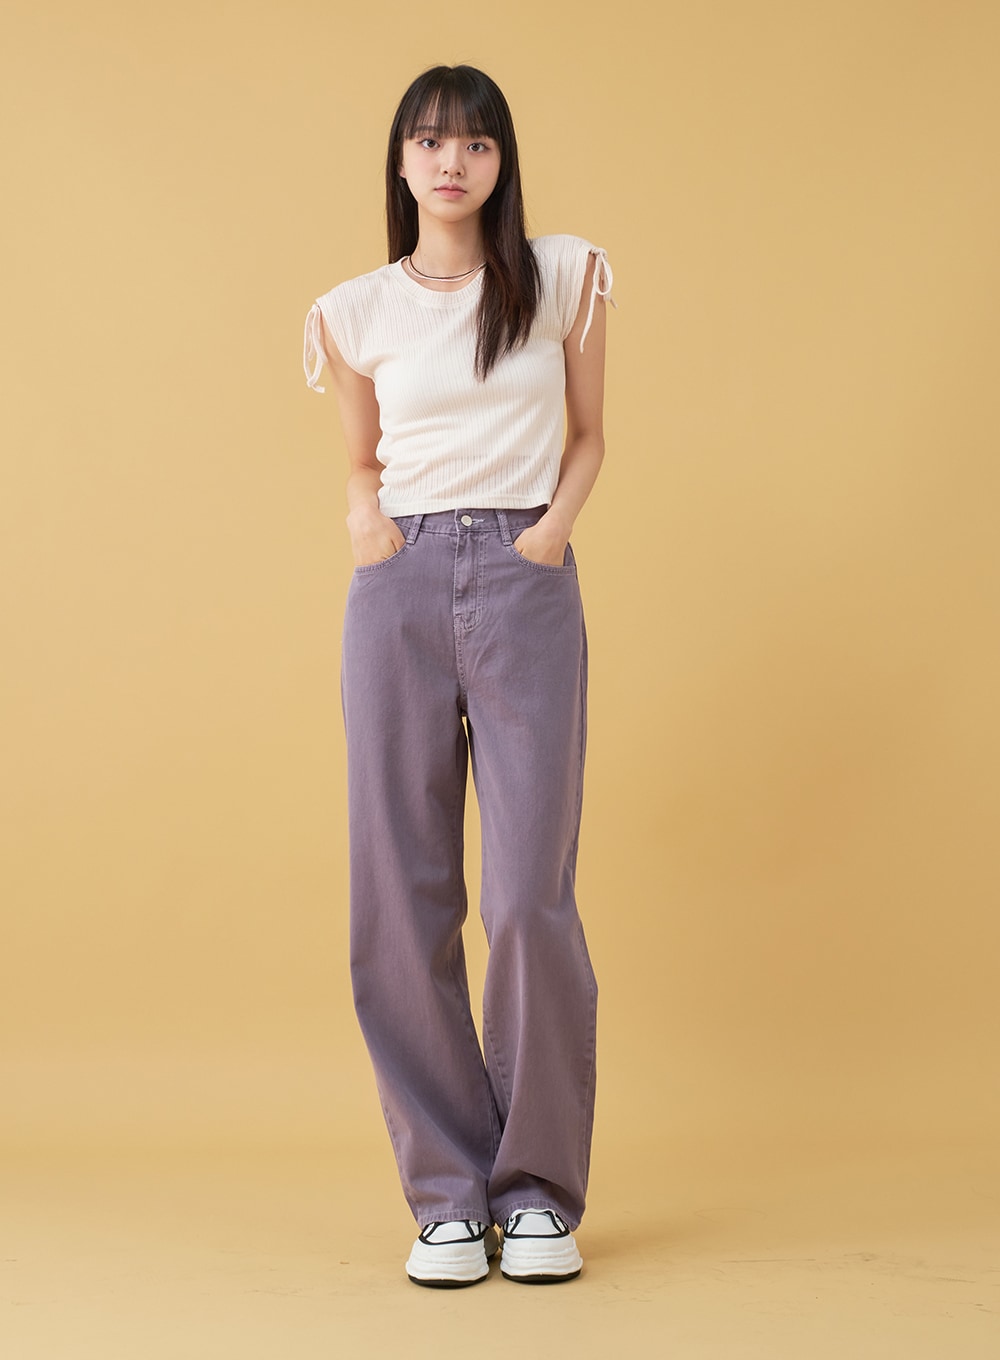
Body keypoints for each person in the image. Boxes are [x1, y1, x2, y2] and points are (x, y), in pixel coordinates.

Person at [302, 63, 614, 1288]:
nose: (451, 161)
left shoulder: (561, 277)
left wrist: (549, 535)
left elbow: (589, 435)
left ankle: (534, 1194)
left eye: (475, 143)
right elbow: (359, 458)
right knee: (400, 896)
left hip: (528, 577)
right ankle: (445, 1193)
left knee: (529, 892)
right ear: (400, 160)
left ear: (500, 161)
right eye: (430, 141)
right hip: (400, 588)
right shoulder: (353, 310)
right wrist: (368, 526)